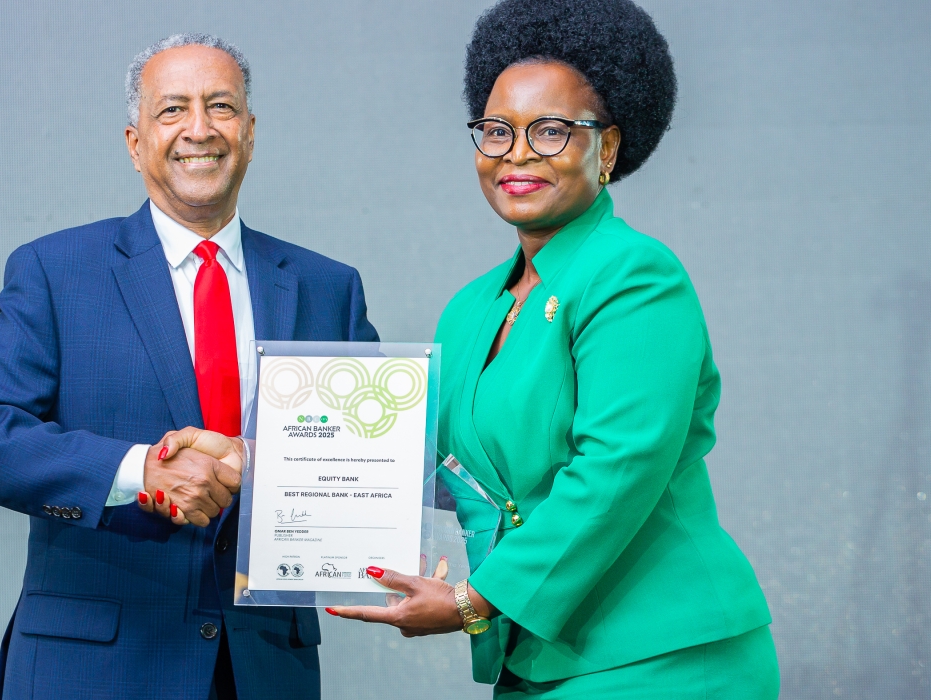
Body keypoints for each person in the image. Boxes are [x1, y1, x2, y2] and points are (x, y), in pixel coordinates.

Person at [323, 1, 780, 697]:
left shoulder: (634, 275)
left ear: (610, 148)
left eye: (551, 130)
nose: (517, 153)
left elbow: (617, 468)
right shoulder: (471, 308)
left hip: (660, 656)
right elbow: (457, 474)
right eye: (497, 130)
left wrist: (477, 601)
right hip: (537, 656)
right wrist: (270, 464)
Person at [0, 33, 378, 700]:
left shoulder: (326, 288)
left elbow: (376, 462)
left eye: (221, 106)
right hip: (94, 671)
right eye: (172, 110)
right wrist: (139, 470)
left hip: (261, 671)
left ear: (250, 133)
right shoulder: (58, 272)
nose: (199, 129)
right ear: (134, 143)